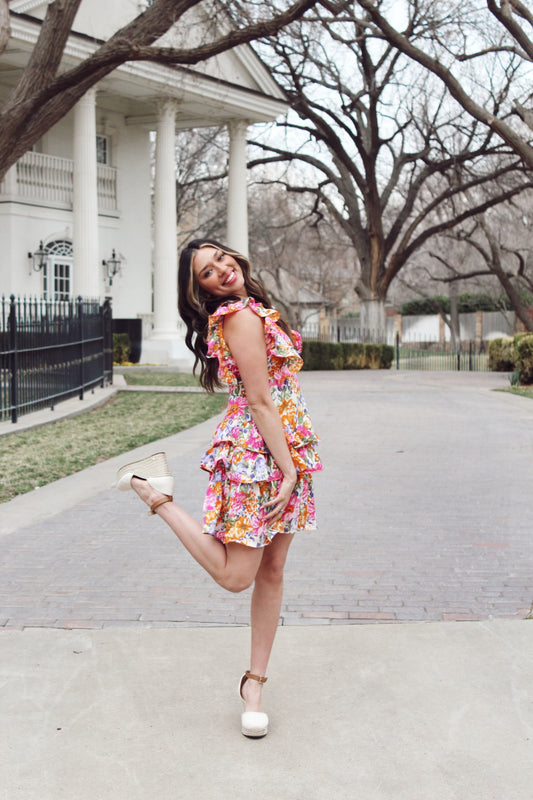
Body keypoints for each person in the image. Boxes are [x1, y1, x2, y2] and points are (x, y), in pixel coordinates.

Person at [117, 239, 321, 738]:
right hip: (259, 456)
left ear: (235, 258)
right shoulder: (238, 317)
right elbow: (257, 398)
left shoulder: (254, 309)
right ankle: (154, 494)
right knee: (237, 577)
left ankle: (254, 682)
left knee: (272, 570)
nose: (221, 270)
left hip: (284, 447)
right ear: (200, 290)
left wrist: (293, 461)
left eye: (221, 259)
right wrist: (288, 470)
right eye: (208, 272)